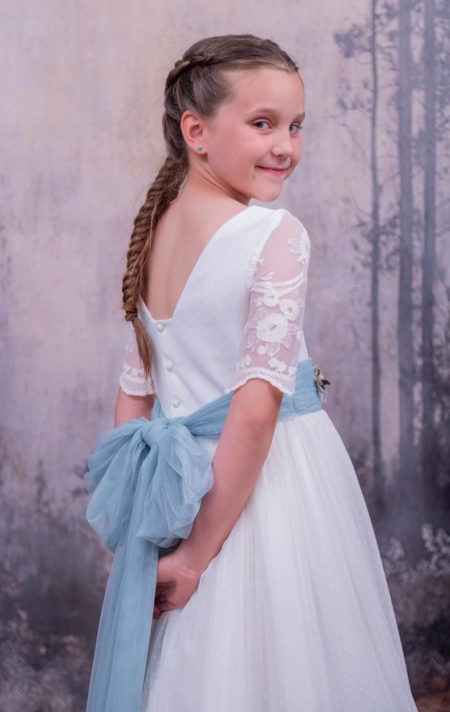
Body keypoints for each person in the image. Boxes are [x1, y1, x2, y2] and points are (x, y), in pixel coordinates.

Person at [90, 34, 418, 712]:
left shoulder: (154, 233)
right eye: (263, 123)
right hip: (265, 487)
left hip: (184, 490)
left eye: (296, 126)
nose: (285, 147)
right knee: (287, 663)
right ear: (197, 132)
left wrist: (150, 523)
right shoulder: (273, 233)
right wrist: (194, 557)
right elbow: (257, 410)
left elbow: (134, 396)